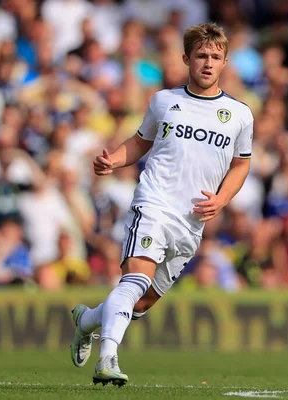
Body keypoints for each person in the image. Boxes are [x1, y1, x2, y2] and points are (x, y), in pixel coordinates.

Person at [69, 23, 253, 386]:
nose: (208, 63)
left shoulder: (240, 114)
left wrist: (222, 198)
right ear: (186, 59)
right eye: (201, 55)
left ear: (226, 62)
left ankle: (88, 321)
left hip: (191, 222)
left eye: (215, 57)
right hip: (154, 203)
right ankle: (108, 358)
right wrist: (114, 161)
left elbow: (241, 163)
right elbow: (140, 142)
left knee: (140, 304)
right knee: (135, 278)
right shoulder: (164, 101)